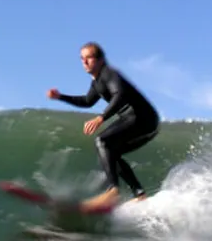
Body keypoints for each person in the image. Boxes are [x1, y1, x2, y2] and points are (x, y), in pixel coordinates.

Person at [47, 42, 160, 212]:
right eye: (82, 59)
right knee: (111, 151)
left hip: (143, 118)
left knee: (102, 141)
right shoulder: (97, 82)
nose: (84, 62)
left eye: (89, 58)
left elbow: (119, 94)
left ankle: (112, 191)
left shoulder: (109, 74)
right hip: (138, 120)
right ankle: (140, 194)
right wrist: (60, 97)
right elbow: (87, 101)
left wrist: (101, 118)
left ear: (100, 60)